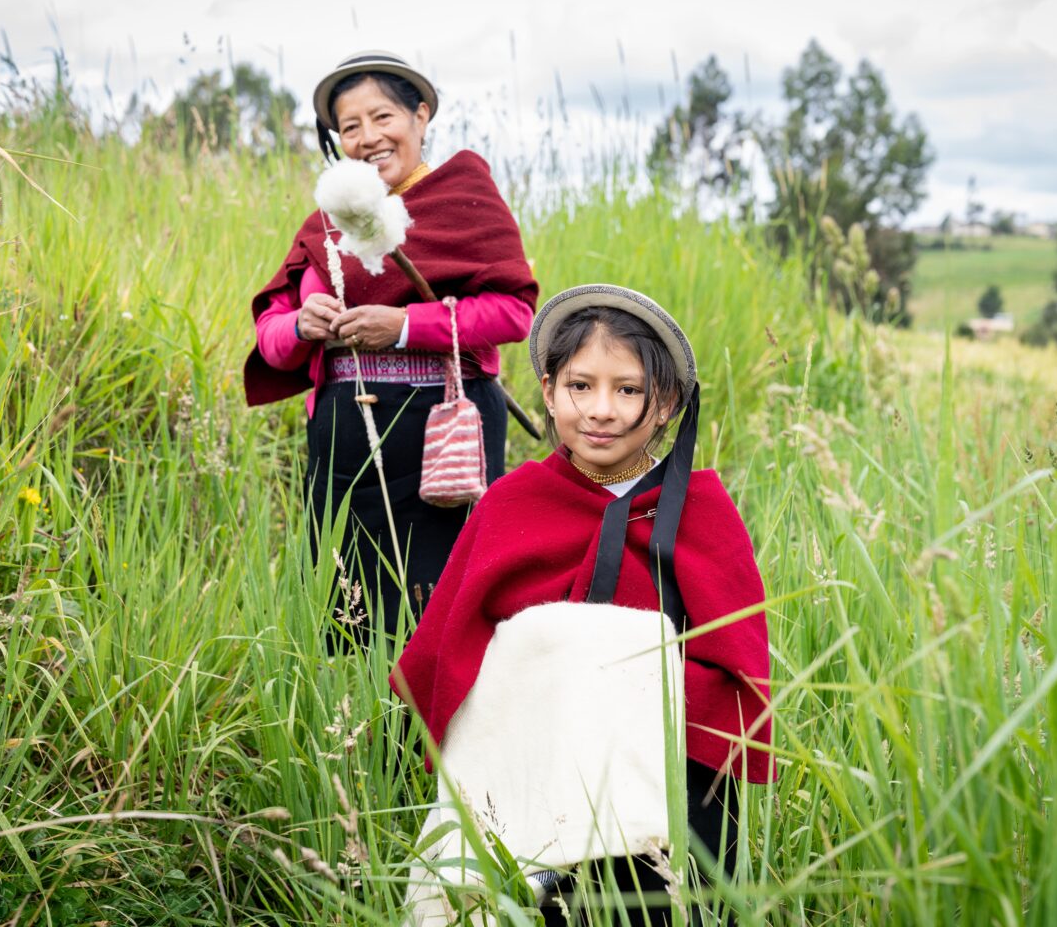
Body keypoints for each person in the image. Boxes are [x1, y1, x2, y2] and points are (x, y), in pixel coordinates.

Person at [392, 284, 773, 924]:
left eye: (627, 390)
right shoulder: (514, 504)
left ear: (667, 403)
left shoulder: (702, 514)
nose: (601, 410)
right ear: (547, 390)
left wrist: (633, 681)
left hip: (668, 782)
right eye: (580, 386)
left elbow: (738, 672)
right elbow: (445, 648)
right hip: (528, 772)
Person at [244, 50, 538, 641]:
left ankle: (431, 732)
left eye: (383, 117)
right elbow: (272, 343)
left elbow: (514, 312)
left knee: (440, 610)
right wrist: (303, 324)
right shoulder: (324, 227)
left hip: (444, 434)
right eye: (349, 127)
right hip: (346, 439)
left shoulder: (464, 196)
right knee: (346, 609)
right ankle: (356, 730)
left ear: (421, 116)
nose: (368, 138)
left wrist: (402, 326)